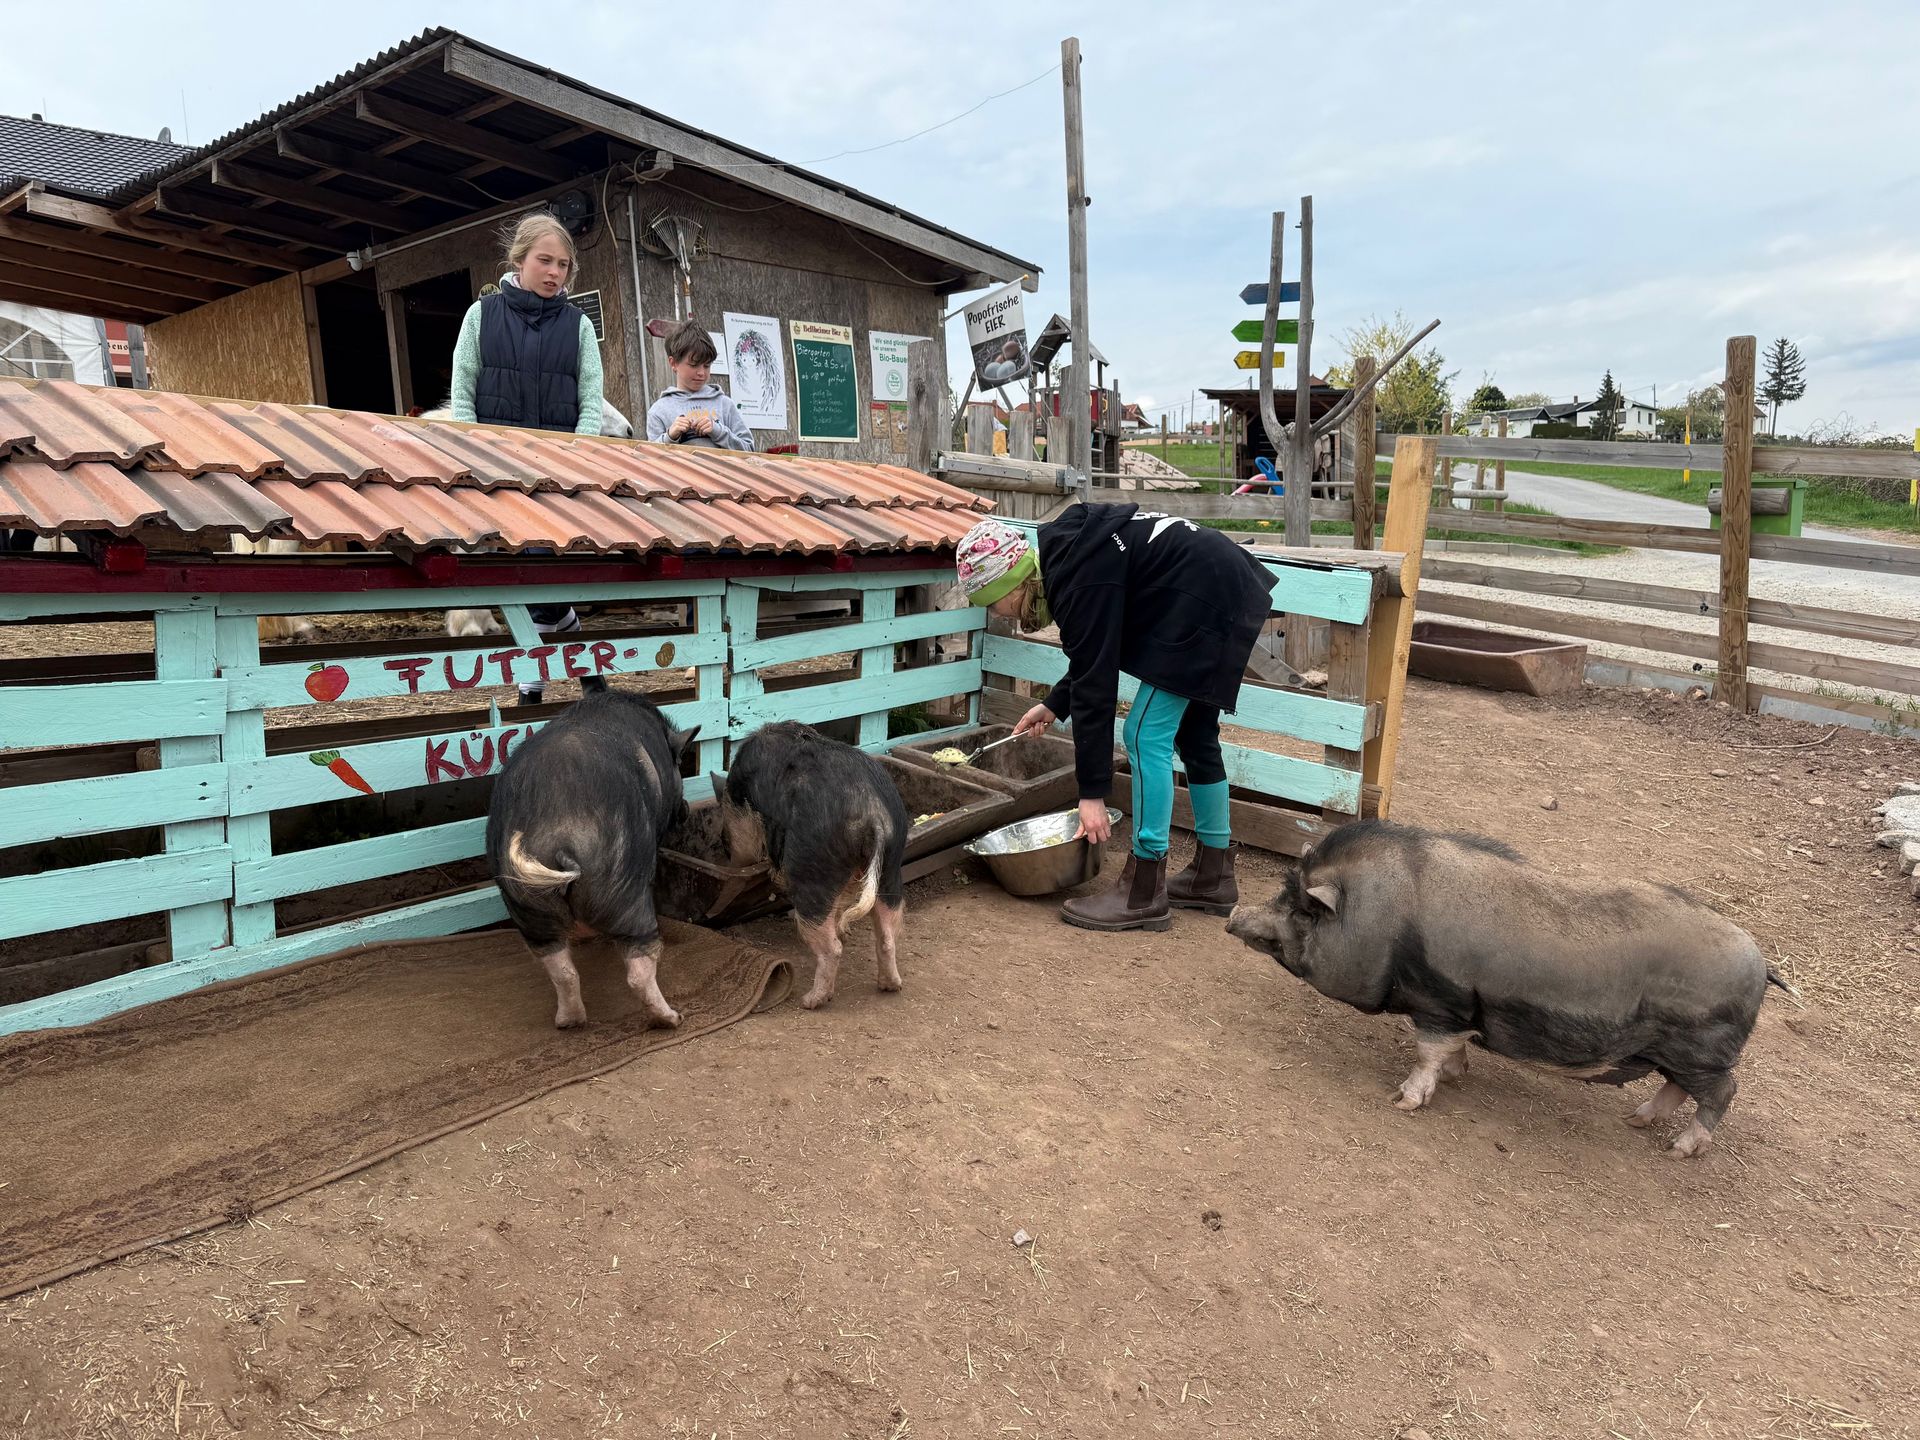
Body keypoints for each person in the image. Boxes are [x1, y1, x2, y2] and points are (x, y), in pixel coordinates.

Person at [955, 507, 1277, 932]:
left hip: (1203, 595)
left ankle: (1143, 890)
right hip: (1214, 583)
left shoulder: (1076, 576)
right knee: (1195, 734)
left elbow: (1097, 684)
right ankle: (1212, 875)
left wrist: (1091, 794)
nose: (1000, 615)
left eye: (993, 603)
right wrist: (1055, 704)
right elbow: (1097, 653)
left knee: (1144, 734)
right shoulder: (1072, 556)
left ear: (1010, 581)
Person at [449, 211, 607, 706]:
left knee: (538, 573)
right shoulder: (481, 316)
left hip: (555, 480)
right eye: (545, 260)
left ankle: (530, 688)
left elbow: (591, 402)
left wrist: (574, 461)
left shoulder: (578, 326)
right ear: (519, 259)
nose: (555, 272)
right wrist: (476, 459)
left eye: (563, 264)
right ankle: (588, 672)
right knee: (529, 578)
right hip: (498, 476)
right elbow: (463, 394)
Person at [646, 322, 753, 450]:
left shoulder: (725, 405)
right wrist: (669, 437)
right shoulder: (659, 411)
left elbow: (749, 449)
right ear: (673, 363)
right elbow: (650, 455)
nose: (701, 372)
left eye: (707, 365)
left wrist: (718, 431)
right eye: (694, 365)